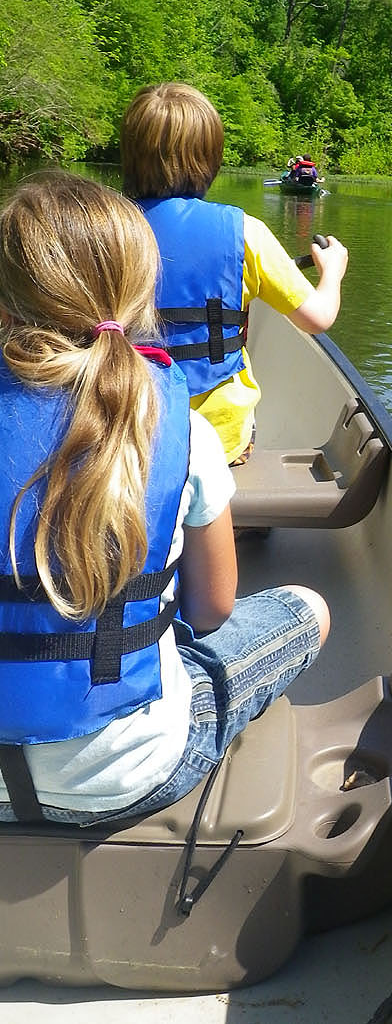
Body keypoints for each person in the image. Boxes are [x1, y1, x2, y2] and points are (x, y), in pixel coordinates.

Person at [0, 172, 329, 826]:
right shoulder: (186, 429)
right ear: (136, 295)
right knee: (307, 608)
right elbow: (211, 612)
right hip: (129, 775)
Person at [120, 84, 348, 465]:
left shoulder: (97, 229)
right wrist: (332, 272)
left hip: (123, 435)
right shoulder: (245, 233)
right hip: (217, 443)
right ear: (210, 160)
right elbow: (318, 318)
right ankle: (236, 524)